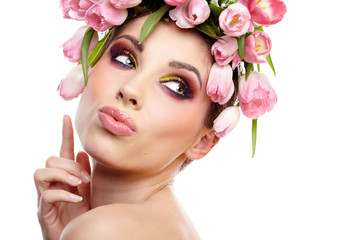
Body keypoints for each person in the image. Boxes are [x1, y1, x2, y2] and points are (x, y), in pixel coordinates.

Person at [34, 0, 286, 239]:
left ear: (204, 141)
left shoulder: (104, 230)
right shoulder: (159, 226)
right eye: (125, 58)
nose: (131, 89)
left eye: (176, 86)